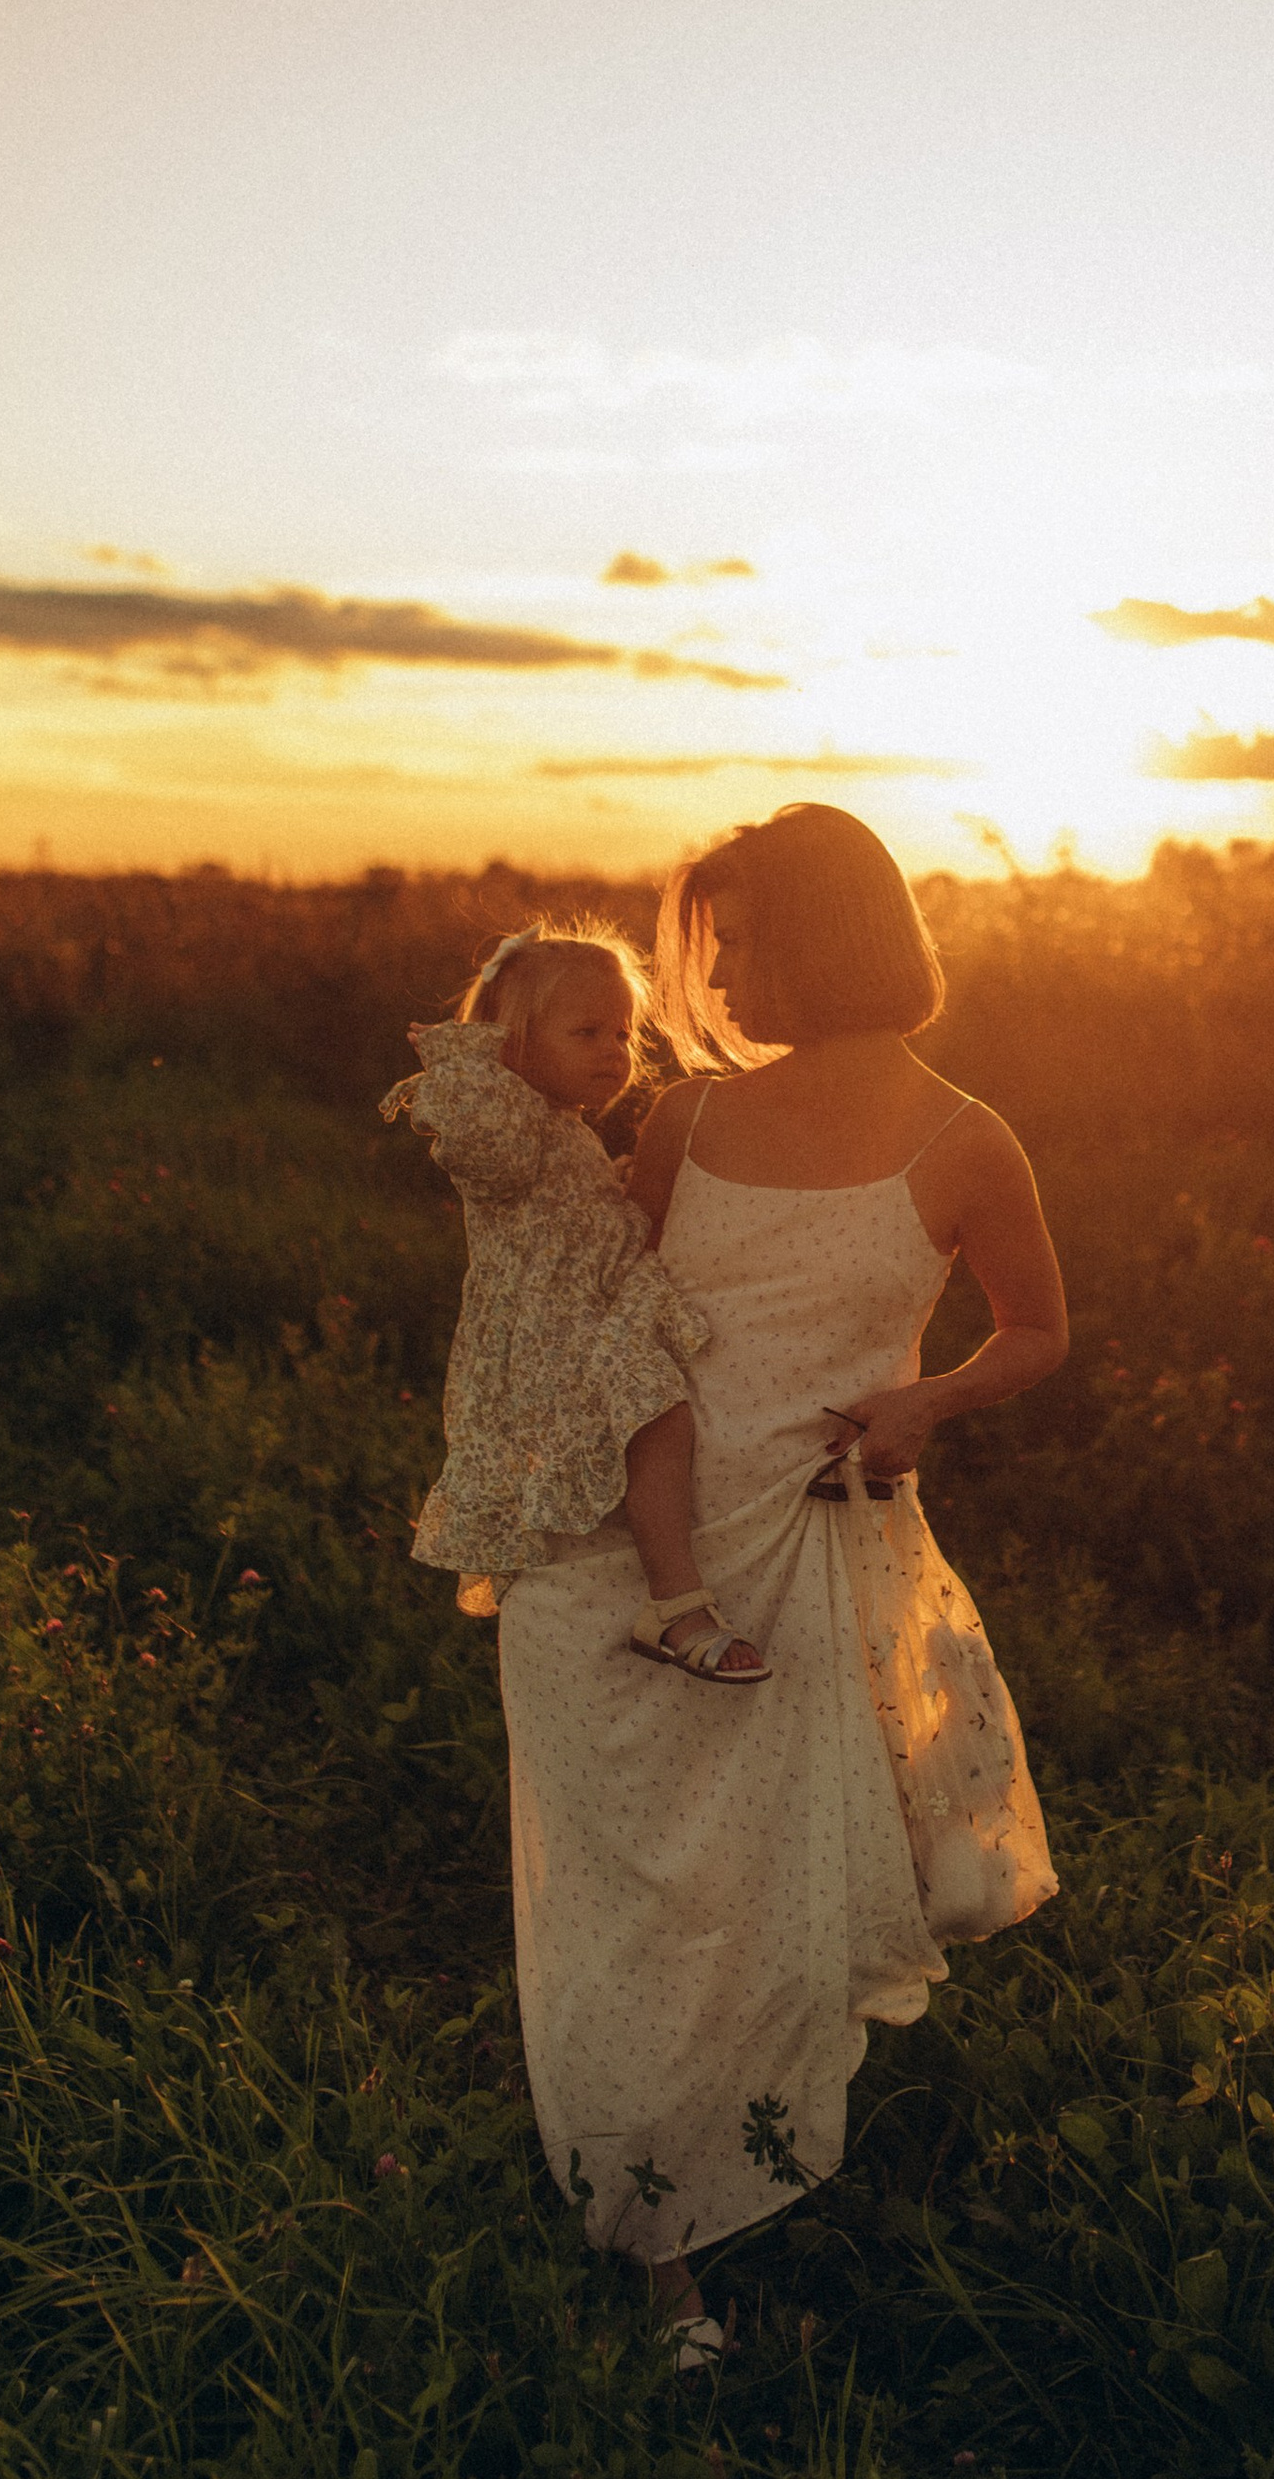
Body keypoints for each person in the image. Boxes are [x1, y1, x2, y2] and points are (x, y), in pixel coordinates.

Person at [494, 804, 1063, 2365]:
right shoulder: (679, 1128)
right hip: (624, 1574)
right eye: (711, 944)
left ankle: (723, 2172)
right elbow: (589, 1320)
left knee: (759, 1902)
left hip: (813, 1550)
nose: (718, 974)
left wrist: (924, 1403)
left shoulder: (966, 1141)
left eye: (741, 941)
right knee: (632, 1906)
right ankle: (653, 2240)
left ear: (827, 939)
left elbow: (1036, 1329)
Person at [382, 922, 759, 1680]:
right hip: (554, 1331)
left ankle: (664, 1585)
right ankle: (675, 1602)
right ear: (514, 1045)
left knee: (663, 1416)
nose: (613, 1052)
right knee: (659, 1414)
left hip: (589, 1315)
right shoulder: (504, 1116)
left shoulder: (559, 1126)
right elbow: (482, 1147)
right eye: (586, 1032)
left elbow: (567, 1204)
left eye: (622, 1033)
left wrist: (612, 1189)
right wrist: (468, 1061)